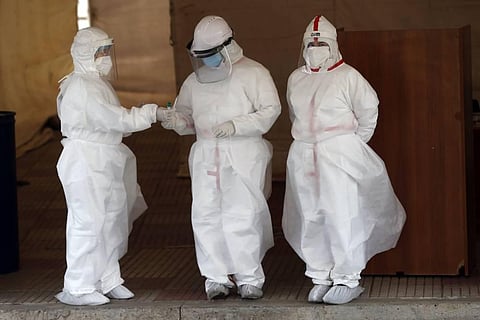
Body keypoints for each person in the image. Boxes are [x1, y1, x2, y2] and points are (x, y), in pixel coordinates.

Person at [282, 16, 406, 305]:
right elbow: (295, 114)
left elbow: (368, 111)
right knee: (310, 214)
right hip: (304, 154)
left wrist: (349, 145)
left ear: (333, 45)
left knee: (342, 213)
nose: (315, 48)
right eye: (310, 43)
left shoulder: (349, 76)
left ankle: (347, 277)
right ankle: (320, 273)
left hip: (338, 154)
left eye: (321, 42)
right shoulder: (296, 78)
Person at [160, 15, 281, 300]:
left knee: (242, 213)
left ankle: (249, 276)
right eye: (203, 56)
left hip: (242, 152)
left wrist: (236, 126)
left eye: (212, 55)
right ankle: (214, 277)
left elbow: (270, 110)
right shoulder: (194, 80)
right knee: (206, 214)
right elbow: (187, 116)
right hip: (205, 154)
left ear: (227, 46)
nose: (208, 61)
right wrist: (176, 121)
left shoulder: (254, 73)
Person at [55, 27, 169, 306]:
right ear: (85, 54)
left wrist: (139, 116)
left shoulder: (97, 83)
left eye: (107, 51)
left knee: (111, 220)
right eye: (100, 52)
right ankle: (78, 286)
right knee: (89, 222)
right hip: (86, 160)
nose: (106, 58)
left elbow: (112, 124)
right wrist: (151, 113)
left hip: (104, 158)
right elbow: (113, 119)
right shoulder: (80, 85)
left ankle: (107, 278)